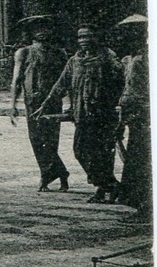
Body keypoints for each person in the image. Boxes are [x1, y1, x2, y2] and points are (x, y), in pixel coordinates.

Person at [47, 25, 125, 203]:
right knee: (80, 151)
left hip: (102, 115)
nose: (83, 41)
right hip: (82, 115)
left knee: (102, 153)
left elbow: (120, 83)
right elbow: (61, 84)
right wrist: (45, 105)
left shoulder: (108, 58)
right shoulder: (75, 60)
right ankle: (108, 184)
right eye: (80, 37)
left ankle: (104, 187)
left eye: (88, 37)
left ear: (96, 38)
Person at [9, 15, 70, 191]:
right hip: (33, 101)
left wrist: (70, 102)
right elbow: (17, 79)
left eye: (45, 28)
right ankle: (56, 172)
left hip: (52, 101)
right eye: (37, 29)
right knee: (36, 139)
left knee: (51, 140)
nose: (42, 32)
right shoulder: (24, 52)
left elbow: (67, 79)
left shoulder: (59, 53)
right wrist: (13, 105)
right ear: (30, 32)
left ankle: (50, 174)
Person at [115, 15, 148, 214]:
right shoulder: (130, 59)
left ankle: (144, 205)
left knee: (140, 157)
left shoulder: (144, 58)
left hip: (142, 112)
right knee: (135, 155)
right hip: (132, 112)